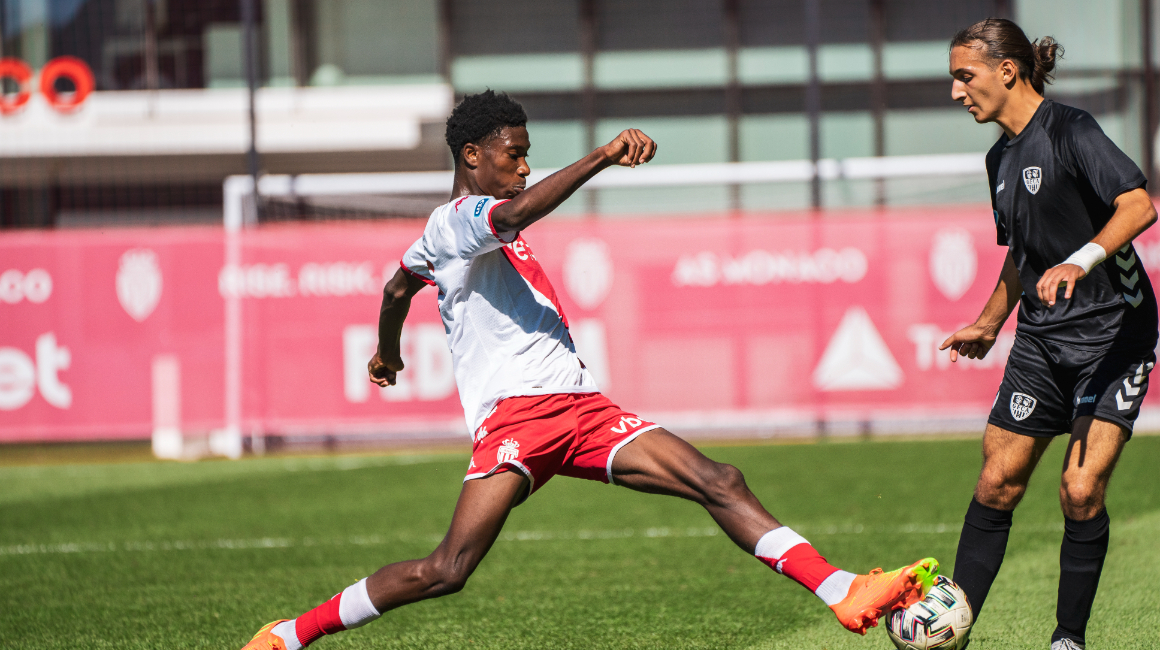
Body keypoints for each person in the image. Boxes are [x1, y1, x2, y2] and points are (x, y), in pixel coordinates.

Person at [240, 90, 938, 650]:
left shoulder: (455, 235)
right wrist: (602, 155)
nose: (523, 167)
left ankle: (843, 589)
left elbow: (398, 287)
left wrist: (388, 351)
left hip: (581, 409)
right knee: (446, 569)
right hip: (518, 418)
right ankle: (289, 635)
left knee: (718, 479)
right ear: (472, 155)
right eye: (514, 155)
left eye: (528, 156)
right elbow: (513, 213)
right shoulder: (460, 221)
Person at [941, 18, 1158, 650]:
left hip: (1115, 336)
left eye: (965, 76)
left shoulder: (1072, 130)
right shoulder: (999, 158)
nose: (956, 92)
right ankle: (949, 629)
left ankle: (1068, 639)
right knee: (996, 483)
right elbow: (1022, 254)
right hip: (1041, 341)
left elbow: (1139, 205)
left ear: (1007, 71)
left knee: (1080, 490)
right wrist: (989, 322)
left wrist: (1080, 261)